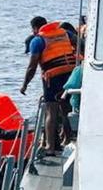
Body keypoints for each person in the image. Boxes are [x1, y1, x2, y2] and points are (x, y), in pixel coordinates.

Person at [20, 16, 77, 152]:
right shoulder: (65, 33)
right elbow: (80, 44)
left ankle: (50, 147)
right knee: (66, 108)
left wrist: (25, 84)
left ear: (34, 28)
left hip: (53, 77)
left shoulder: (38, 40)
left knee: (51, 110)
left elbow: (32, 66)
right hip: (70, 73)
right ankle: (68, 139)